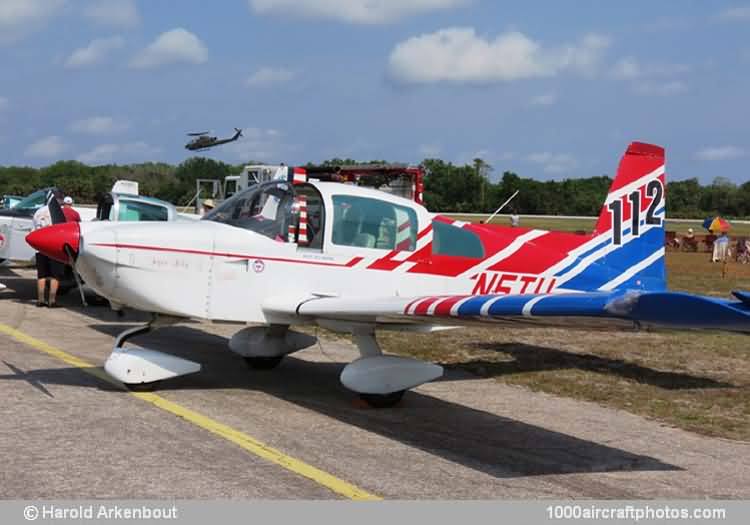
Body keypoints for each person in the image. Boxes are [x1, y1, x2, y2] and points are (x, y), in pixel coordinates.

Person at [32, 190, 66, 307]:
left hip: (40, 247)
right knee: (55, 275)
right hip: (53, 247)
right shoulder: (57, 212)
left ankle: (40, 300)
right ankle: (52, 300)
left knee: (41, 275)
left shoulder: (38, 212)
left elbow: (34, 228)